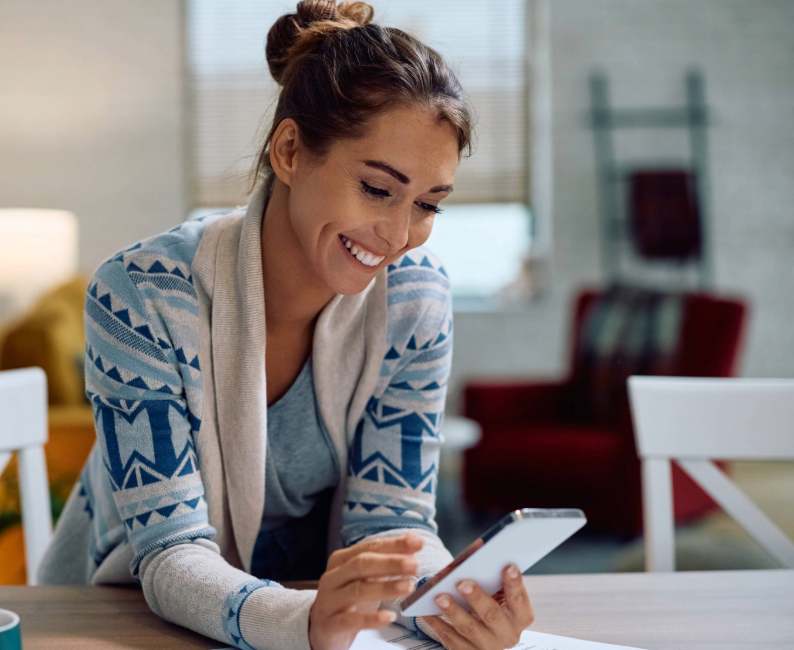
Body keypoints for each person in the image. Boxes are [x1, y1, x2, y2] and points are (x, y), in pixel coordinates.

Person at [39, 2, 535, 649]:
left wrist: (454, 602)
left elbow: (392, 523)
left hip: (316, 624)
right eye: (378, 189)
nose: (397, 236)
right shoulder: (142, 297)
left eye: (427, 205)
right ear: (291, 150)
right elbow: (168, 554)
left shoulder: (416, 300)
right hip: (122, 622)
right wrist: (303, 622)